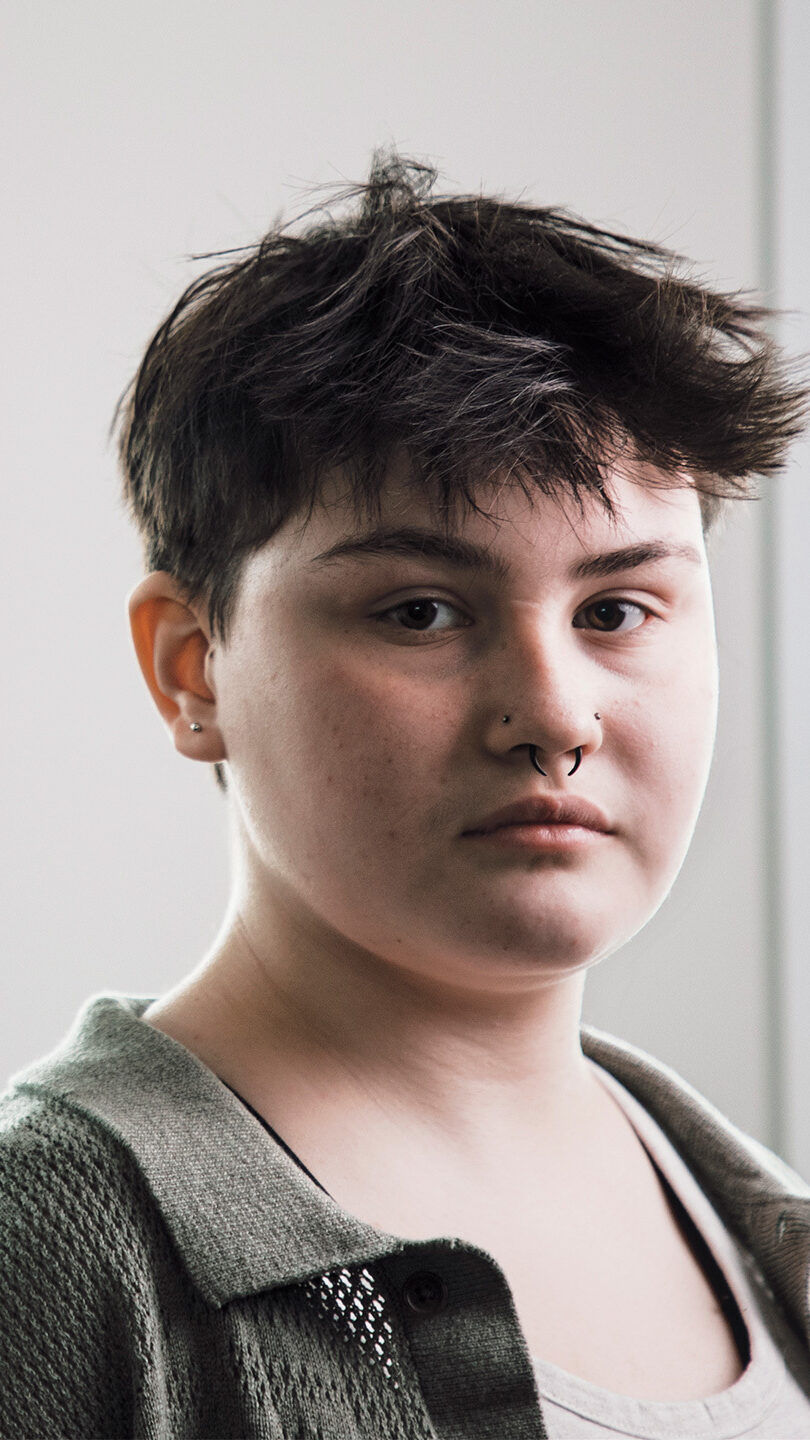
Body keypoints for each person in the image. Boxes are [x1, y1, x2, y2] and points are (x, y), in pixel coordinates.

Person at [2, 152, 810, 1440]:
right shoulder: (48, 1252)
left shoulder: (771, 1229)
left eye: (617, 610)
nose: (552, 716)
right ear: (191, 668)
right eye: (420, 611)